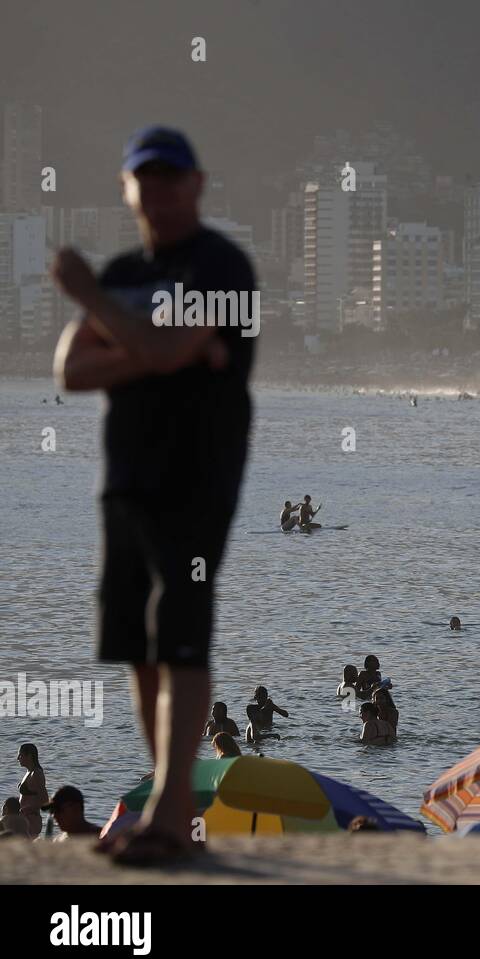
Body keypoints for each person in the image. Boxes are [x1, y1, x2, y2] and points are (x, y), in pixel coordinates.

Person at [50, 127, 256, 867]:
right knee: (137, 646)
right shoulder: (126, 271)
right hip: (125, 479)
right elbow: (71, 370)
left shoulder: (220, 264)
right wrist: (151, 343)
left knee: (182, 634)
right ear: (127, 187)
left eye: (174, 179)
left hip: (195, 479)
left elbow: (166, 351)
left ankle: (173, 816)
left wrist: (96, 307)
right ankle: (166, 800)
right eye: (147, 179)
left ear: (197, 185)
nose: (160, 192)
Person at [16, 744, 47, 837]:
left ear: (29, 756)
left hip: (32, 819)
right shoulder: (29, 772)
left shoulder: (36, 774)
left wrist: (27, 809)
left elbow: (45, 801)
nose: (18, 758)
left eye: (20, 755)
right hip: (25, 819)